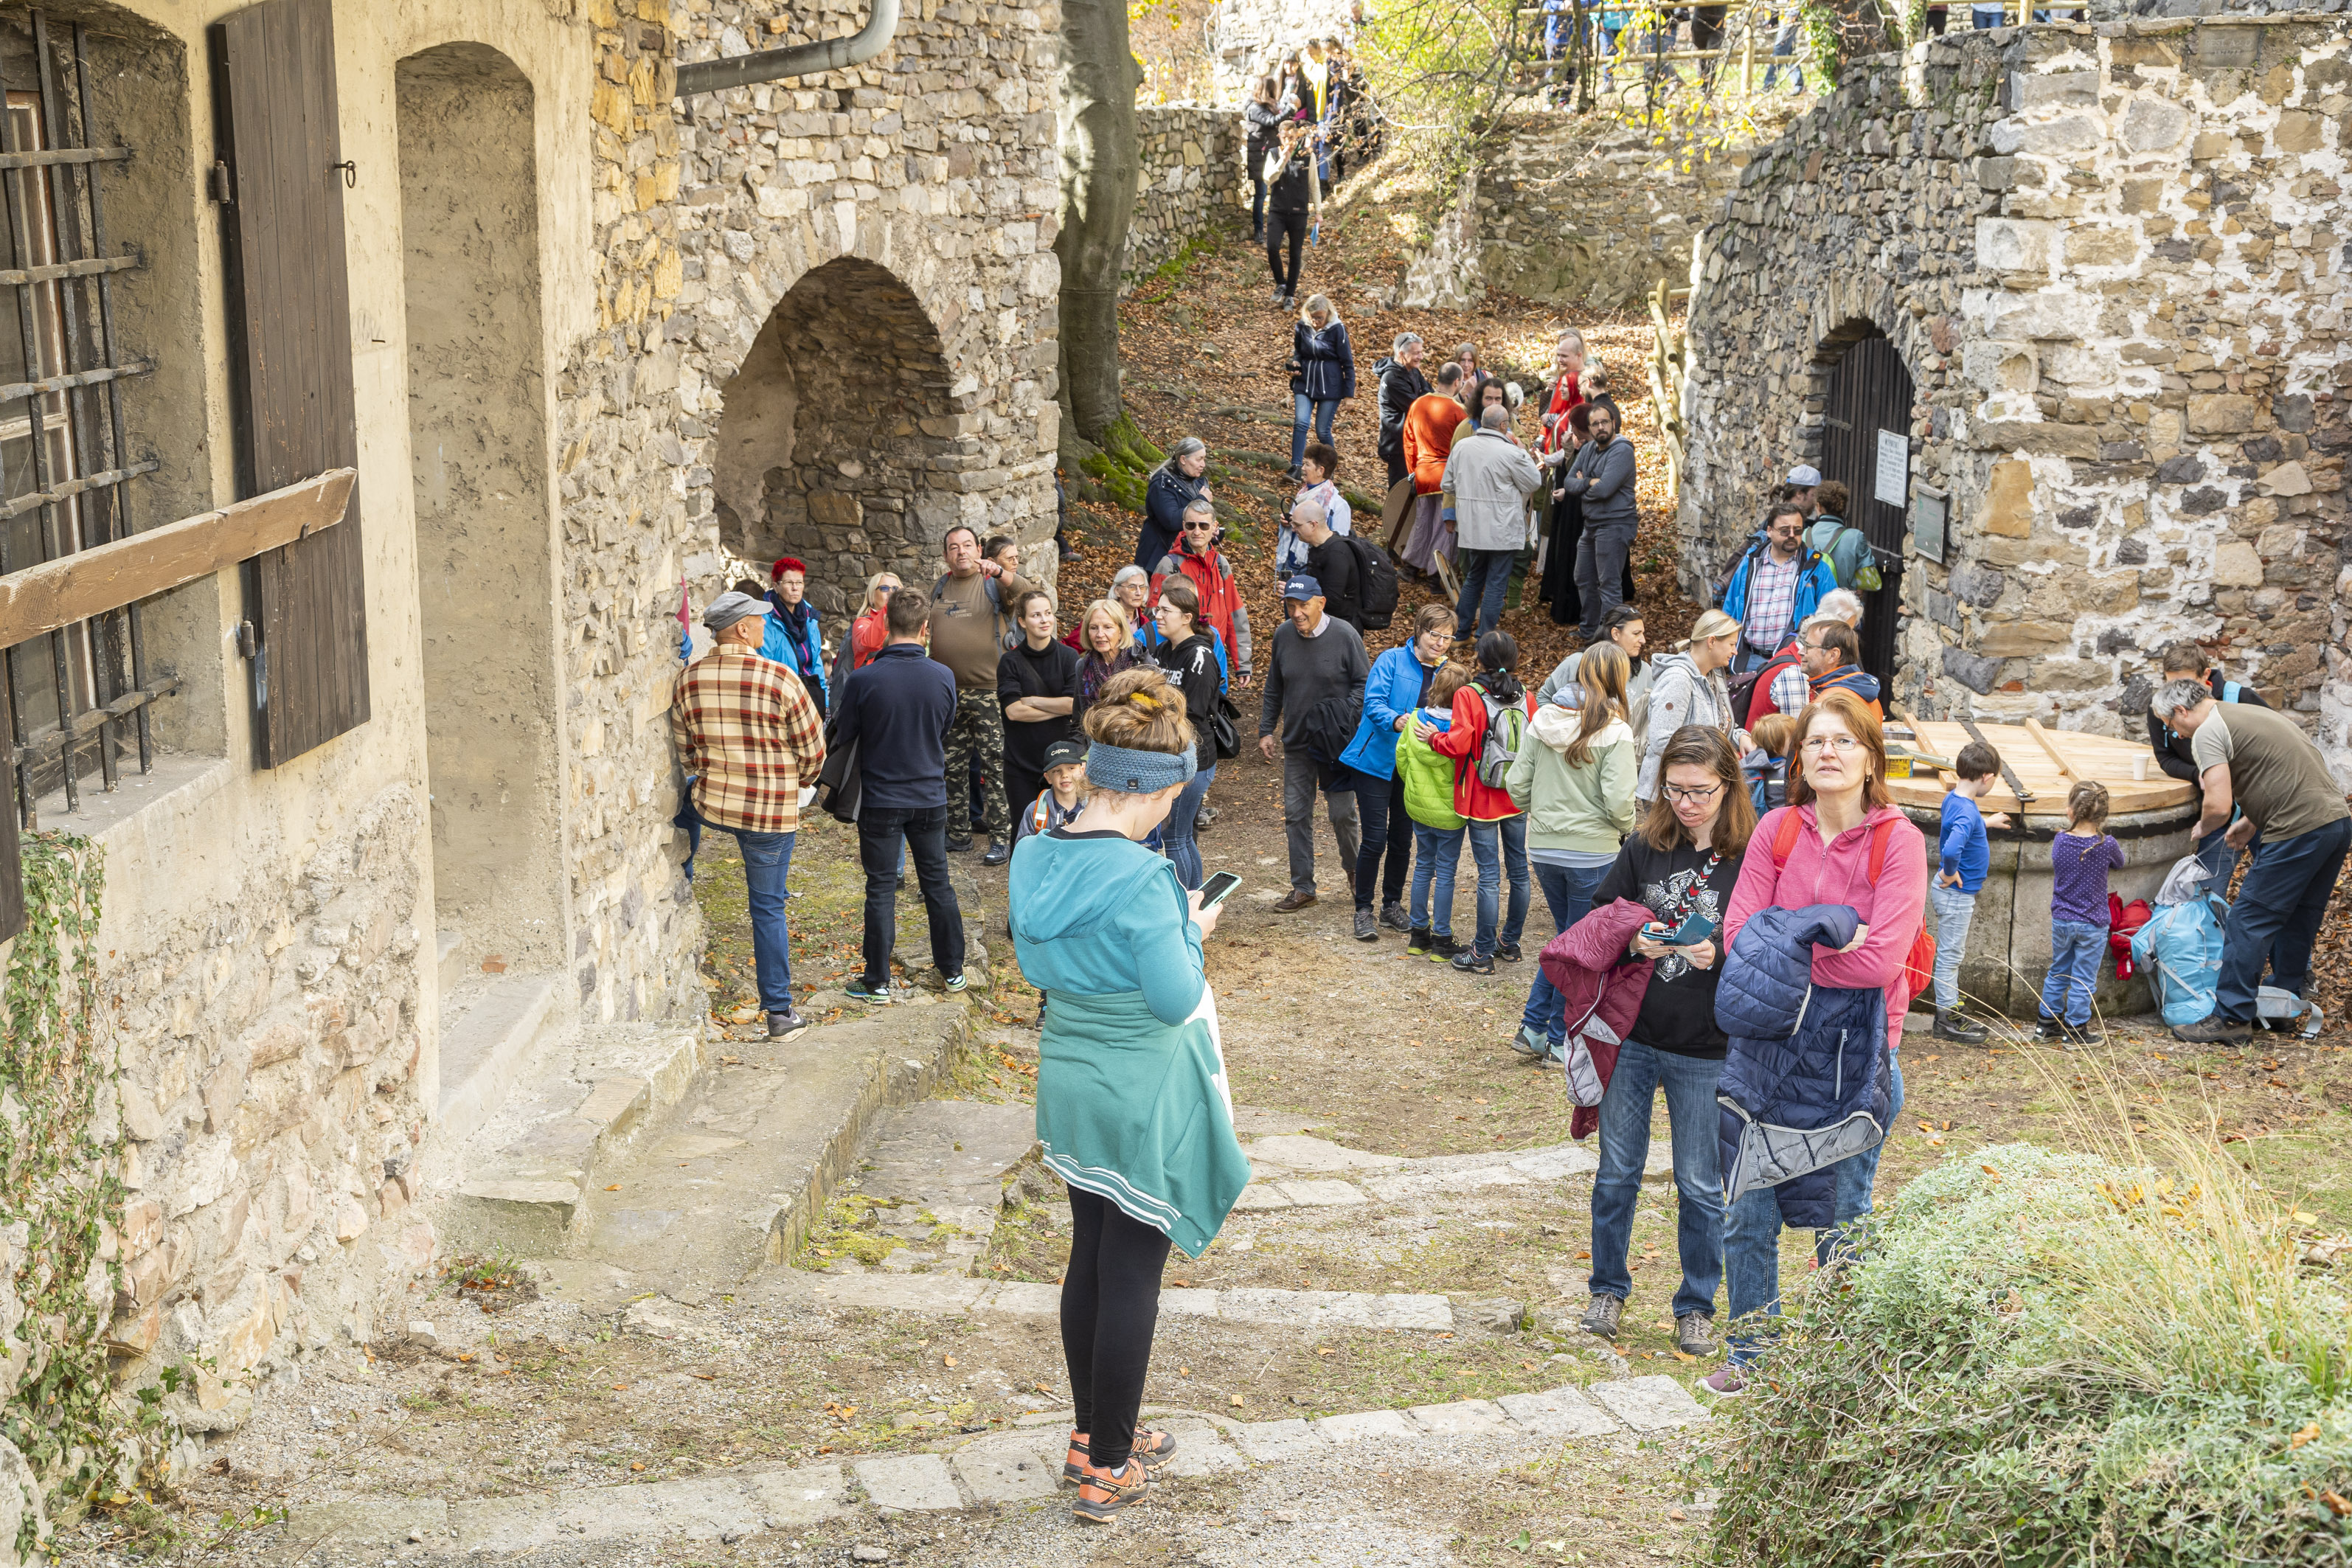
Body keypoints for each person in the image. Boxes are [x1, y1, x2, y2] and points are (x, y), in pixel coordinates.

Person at [1009, 667, 1249, 1527]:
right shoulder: (1146, 881)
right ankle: (1109, 1465)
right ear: (1157, 788)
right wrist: (1189, 923)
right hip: (1141, 1087)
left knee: (1092, 1255)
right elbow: (1176, 996)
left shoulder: (1035, 845)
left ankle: (1092, 1433)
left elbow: (1039, 957)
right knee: (1133, 1271)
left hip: (1070, 1073)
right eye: (1174, 795)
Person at [1709, 690, 1925, 1395]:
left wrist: (1788, 937)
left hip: (1855, 1057)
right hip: (1767, 1049)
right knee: (1747, 1210)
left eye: (1843, 742)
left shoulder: (1899, 842)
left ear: (1870, 760)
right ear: (1798, 757)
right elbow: (1737, 940)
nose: (1827, 753)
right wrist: (1830, 928)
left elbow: (1881, 961)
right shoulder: (1776, 829)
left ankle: (1836, 1365)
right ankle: (1752, 1356)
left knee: (1844, 1214)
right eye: (1815, 742)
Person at [1574, 724, 1753, 1356]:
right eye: (1674, 790)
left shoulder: (1750, 856)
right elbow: (1601, 915)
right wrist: (1631, 939)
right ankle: (1606, 1290)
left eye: (1700, 791)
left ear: (1728, 785)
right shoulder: (1644, 846)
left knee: (1701, 1184)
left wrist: (1721, 950)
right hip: (1633, 1036)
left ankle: (1696, 1305)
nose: (1685, 804)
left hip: (1706, 1046)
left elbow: (1768, 944)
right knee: (1616, 1172)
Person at [2153, 679, 2352, 1044]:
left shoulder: (2206, 732)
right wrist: (2249, 822)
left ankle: (2230, 1018)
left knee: (2248, 920)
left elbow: (2217, 804)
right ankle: (2285, 1006)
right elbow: (2289, 774)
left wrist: (2203, 828)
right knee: (2298, 916)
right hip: (2335, 822)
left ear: (2181, 711)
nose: (2174, 734)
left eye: (2170, 725)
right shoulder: (2247, 714)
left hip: (2297, 829)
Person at [670, 589, 825, 1040]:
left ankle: (684, 888)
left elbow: (687, 752)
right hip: (769, 814)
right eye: (759, 620)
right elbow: (815, 754)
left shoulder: (688, 679)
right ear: (742, 629)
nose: (764, 625)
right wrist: (794, 782)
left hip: (715, 804)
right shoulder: (780, 679)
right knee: (767, 906)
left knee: (685, 821)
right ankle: (779, 1012)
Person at [836, 589, 968, 1005]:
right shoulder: (943, 676)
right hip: (930, 794)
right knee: (938, 884)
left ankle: (876, 981)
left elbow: (846, 731)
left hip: (880, 796)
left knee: (880, 887)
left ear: (886, 625)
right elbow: (943, 726)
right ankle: (953, 971)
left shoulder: (864, 678)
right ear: (925, 628)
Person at [1508, 639, 1637, 1061]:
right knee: (1580, 947)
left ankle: (1534, 1029)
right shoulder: (1615, 730)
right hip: (1592, 852)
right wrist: (1627, 830)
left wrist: (1543, 812)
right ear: (1618, 678)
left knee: (1567, 938)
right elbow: (1620, 802)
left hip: (1544, 849)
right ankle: (1559, 1037)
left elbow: (1516, 785)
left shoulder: (1541, 719)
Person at [1424, 630, 1536, 974]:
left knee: (1489, 876)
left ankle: (1482, 952)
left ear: (1480, 660)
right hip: (1516, 796)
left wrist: (1433, 738)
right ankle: (1510, 943)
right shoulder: (1528, 697)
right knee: (1519, 872)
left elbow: (1458, 745)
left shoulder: (1469, 695)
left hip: (1481, 798)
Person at [1342, 604, 1452, 940]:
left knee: (1402, 840)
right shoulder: (1391, 659)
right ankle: (1363, 909)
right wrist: (1397, 719)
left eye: (1447, 637)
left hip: (1414, 768)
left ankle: (1392, 905)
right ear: (1419, 629)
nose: (1440, 643)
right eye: (1435, 634)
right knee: (1375, 839)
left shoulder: (1447, 671)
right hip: (1375, 762)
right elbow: (1373, 703)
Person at [1259, 575, 1369, 912]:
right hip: (1297, 743)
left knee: (1342, 814)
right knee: (1296, 815)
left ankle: (1355, 876)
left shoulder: (1345, 635)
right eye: (1291, 606)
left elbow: (1365, 685)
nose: (1296, 612)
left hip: (1336, 745)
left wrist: (1340, 713)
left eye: (1303, 605)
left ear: (1321, 603)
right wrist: (1266, 729)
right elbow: (1274, 686)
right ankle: (1303, 887)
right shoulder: (1283, 635)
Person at [930, 525, 1030, 864]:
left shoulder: (992, 585)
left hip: (989, 693)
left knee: (995, 767)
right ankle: (957, 834)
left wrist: (1001, 571)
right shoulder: (941, 587)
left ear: (979, 550)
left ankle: (1002, 837)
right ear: (946, 555)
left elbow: (1027, 592)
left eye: (968, 545)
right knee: (952, 767)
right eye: (953, 547)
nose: (961, 552)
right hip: (949, 694)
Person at [2147, 641, 2267, 876]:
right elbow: (2165, 757)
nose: (2177, 694)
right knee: (2208, 889)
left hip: (2260, 811)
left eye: (2186, 684)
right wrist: (2198, 775)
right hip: (2216, 813)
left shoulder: (2240, 699)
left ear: (2206, 675)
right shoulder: (2163, 709)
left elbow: (2274, 747)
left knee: (2271, 889)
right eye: (2171, 684)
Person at [1445, 403, 1543, 642]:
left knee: (1474, 578)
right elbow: (1533, 483)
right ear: (1503, 425)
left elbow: (1447, 484)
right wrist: (1519, 446)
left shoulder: (1462, 447)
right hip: (1503, 530)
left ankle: (1461, 634)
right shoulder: (1511, 452)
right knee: (1497, 581)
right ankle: (1485, 637)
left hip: (1471, 528)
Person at [1930, 740, 2008, 1044]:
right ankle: (1946, 1019)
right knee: (1950, 957)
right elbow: (1952, 847)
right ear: (1987, 778)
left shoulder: (1955, 799)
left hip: (1952, 895)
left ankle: (1948, 1009)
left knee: (1951, 955)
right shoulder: (1965, 811)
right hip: (1956, 895)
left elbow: (1959, 826)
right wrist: (1950, 872)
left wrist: (1984, 823)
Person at [2036, 780, 2124, 1046]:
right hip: (2093, 923)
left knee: (2058, 971)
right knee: (2083, 979)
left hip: (2063, 919)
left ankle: (2045, 1025)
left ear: (2071, 811)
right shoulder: (2107, 845)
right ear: (2103, 815)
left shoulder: (2061, 840)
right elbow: (2120, 864)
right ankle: (2075, 1030)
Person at [1398, 661, 1474, 958]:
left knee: (1422, 866)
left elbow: (1402, 759)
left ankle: (1418, 935)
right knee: (1445, 873)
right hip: (1449, 813)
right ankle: (1442, 937)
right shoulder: (1459, 731)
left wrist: (1416, 789)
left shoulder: (1415, 720)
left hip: (1419, 808)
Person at [1151, 579, 1222, 890]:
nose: (1158, 615)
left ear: (1186, 617)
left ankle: (1187, 905)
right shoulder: (1164, 650)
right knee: (1178, 835)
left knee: (1176, 836)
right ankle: (1195, 900)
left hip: (1195, 758)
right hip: (1170, 755)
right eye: (1157, 609)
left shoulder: (1200, 657)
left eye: (1166, 610)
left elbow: (1192, 711)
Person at [1719, 502, 1838, 676]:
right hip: (1746, 660)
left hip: (1793, 662)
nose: (1792, 535)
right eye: (1784, 531)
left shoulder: (1817, 568)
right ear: (1769, 531)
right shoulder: (1750, 563)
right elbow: (1729, 610)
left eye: (1797, 531)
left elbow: (1833, 619)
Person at [999, 589, 1084, 828]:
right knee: (1024, 833)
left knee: (1067, 830)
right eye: (1036, 615)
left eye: (1048, 613)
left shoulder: (1069, 657)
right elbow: (1013, 711)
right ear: (1022, 622)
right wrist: (1059, 707)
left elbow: (1072, 705)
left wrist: (1033, 700)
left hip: (1062, 765)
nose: (1044, 619)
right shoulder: (1010, 662)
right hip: (1021, 765)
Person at [1640, 608, 1740, 805]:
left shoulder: (1713, 675)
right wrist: (1712, 756)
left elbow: (1719, 727)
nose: (1735, 651)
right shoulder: (1678, 680)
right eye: (1732, 644)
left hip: (1697, 790)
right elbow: (1661, 740)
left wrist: (1740, 736)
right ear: (1711, 642)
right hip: (1670, 796)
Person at [1558, 401, 1637, 642]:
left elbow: (1605, 490)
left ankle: (1609, 640)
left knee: (1609, 584)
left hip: (1615, 525)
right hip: (1591, 524)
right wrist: (1590, 482)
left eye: (1604, 422)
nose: (1600, 427)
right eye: (1595, 424)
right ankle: (1589, 631)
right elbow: (1569, 483)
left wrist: (1587, 485)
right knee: (1583, 577)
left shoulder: (1622, 451)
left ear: (1614, 423)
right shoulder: (1590, 449)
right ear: (1589, 429)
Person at [1151, 503, 1253, 685]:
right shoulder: (1169, 565)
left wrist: (1242, 663)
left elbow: (1235, 614)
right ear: (1183, 526)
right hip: (1178, 659)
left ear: (1214, 527)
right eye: (1191, 525)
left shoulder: (1221, 564)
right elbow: (1154, 615)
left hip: (1215, 653)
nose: (1197, 531)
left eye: (1203, 525)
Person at [1397, 362, 1466, 577]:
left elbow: (1409, 442)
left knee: (1423, 523)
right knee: (1446, 528)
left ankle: (1410, 567)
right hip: (1448, 477)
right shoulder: (1458, 411)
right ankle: (1438, 576)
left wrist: (1414, 472)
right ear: (1457, 382)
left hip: (1424, 473)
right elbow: (1464, 448)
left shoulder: (1418, 404)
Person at [1538, 603, 1650, 715]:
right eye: (1636, 634)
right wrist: (1563, 728)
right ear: (1615, 634)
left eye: (1643, 634)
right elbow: (1543, 699)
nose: (1643, 640)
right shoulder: (1577, 662)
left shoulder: (1645, 671)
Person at [1289, 295, 1356, 479]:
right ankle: (1296, 467)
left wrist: (1349, 395)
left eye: (1320, 317)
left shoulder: (1337, 329)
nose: (1316, 321)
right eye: (1313, 317)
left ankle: (1329, 470)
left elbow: (1347, 363)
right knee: (1301, 423)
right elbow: (1298, 352)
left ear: (1328, 313)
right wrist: (1295, 363)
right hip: (1305, 383)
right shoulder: (1302, 326)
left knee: (1322, 430)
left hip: (1331, 387)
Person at [758, 557, 830, 712]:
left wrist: (823, 700)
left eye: (799, 583)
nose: (795, 588)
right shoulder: (766, 620)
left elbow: (816, 661)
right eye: (789, 583)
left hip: (810, 695)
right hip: (780, 700)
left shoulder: (809, 617)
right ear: (776, 586)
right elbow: (765, 665)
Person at [1263, 119, 1321, 310]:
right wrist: (1283, 159)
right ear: (1279, 136)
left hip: (1299, 212)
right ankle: (1281, 283)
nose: (1288, 140)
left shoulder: (1307, 156)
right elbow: (1268, 179)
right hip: (1277, 210)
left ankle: (1290, 294)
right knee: (1272, 247)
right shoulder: (1273, 153)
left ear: (1297, 136)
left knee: (1295, 254)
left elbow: (1314, 184)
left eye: (1292, 137)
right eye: (1285, 136)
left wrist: (1318, 211)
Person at [1278, 443, 1353, 581]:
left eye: (1307, 464)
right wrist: (1287, 523)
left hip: (1315, 569)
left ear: (1320, 471)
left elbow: (1340, 546)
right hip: (1291, 564)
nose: (1303, 468)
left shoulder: (1337, 505)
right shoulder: (1302, 494)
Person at [1139, 437, 1210, 571]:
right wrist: (1202, 500)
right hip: (1158, 559)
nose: (1203, 465)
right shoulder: (1162, 484)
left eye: (1204, 459)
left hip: (1186, 557)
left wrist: (1210, 530)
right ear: (1183, 460)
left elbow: (1194, 522)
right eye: (1199, 459)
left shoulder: (1195, 483)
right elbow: (1171, 521)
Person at [1291, 500, 1362, 631]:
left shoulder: (1337, 553)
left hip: (1340, 629)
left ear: (1313, 525)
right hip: (1321, 625)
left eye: (1297, 525)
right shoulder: (1318, 547)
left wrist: (1298, 593)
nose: (1293, 529)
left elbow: (1332, 600)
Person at [1375, 333, 1432, 490]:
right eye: (1416, 353)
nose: (1420, 357)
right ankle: (1393, 516)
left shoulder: (1413, 370)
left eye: (1421, 352)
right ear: (1401, 354)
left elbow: (1428, 392)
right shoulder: (1391, 378)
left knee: (1411, 488)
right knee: (1399, 490)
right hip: (1397, 443)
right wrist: (1423, 396)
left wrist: (1423, 395)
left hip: (1411, 441)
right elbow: (1418, 406)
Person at [832, 571, 902, 693]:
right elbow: (868, 643)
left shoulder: (903, 622)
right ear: (871, 596)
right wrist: (889, 607)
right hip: (871, 690)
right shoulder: (862, 622)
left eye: (896, 589)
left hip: (896, 687)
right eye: (885, 588)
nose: (891, 593)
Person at [1073, 599, 1140, 714]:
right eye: (1094, 628)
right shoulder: (1083, 666)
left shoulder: (1139, 664)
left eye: (1107, 627)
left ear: (1121, 632)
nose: (1100, 634)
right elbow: (1078, 719)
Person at [1801, 619, 1881, 715]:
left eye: (1808, 646)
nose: (1801, 652)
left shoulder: (1829, 702)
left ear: (1833, 655)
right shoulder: (1863, 689)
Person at [1016, 736, 1089, 841]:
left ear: (1082, 771)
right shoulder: (1034, 811)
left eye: (1071, 768)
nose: (1065, 775)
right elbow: (1023, 849)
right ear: (1048, 778)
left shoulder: (1092, 807)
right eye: (1057, 771)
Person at [1804, 481, 1873, 590]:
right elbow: (1870, 581)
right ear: (1843, 507)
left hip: (1809, 604)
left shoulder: (1804, 535)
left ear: (1819, 506)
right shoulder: (1856, 537)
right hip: (1842, 604)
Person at [1245, 75, 1286, 240]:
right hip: (1260, 157)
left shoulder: (1270, 106)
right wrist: (1290, 109)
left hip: (1270, 154)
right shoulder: (1255, 108)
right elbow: (1270, 121)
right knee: (1261, 194)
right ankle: (1259, 231)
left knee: (1276, 192)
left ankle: (1276, 230)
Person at [1740, 711, 1794, 814]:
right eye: (1792, 739)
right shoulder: (1784, 772)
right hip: (1779, 821)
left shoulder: (1750, 762)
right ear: (1777, 747)